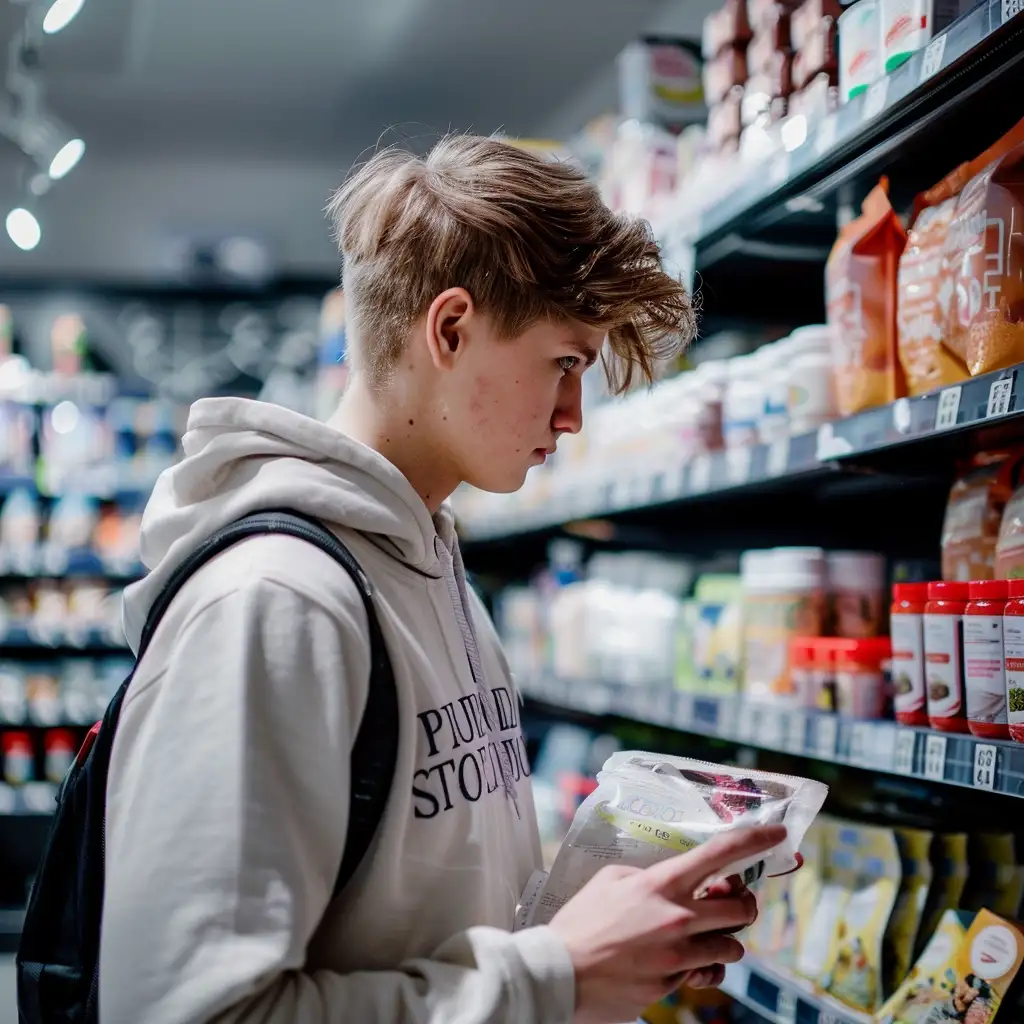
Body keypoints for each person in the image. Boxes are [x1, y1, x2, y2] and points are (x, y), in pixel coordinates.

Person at [99, 133, 786, 1024]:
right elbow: (182, 1011)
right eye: (567, 363)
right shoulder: (275, 604)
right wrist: (555, 976)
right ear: (451, 329)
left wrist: (597, 928)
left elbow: (429, 914)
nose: (575, 416)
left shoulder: (428, 564)